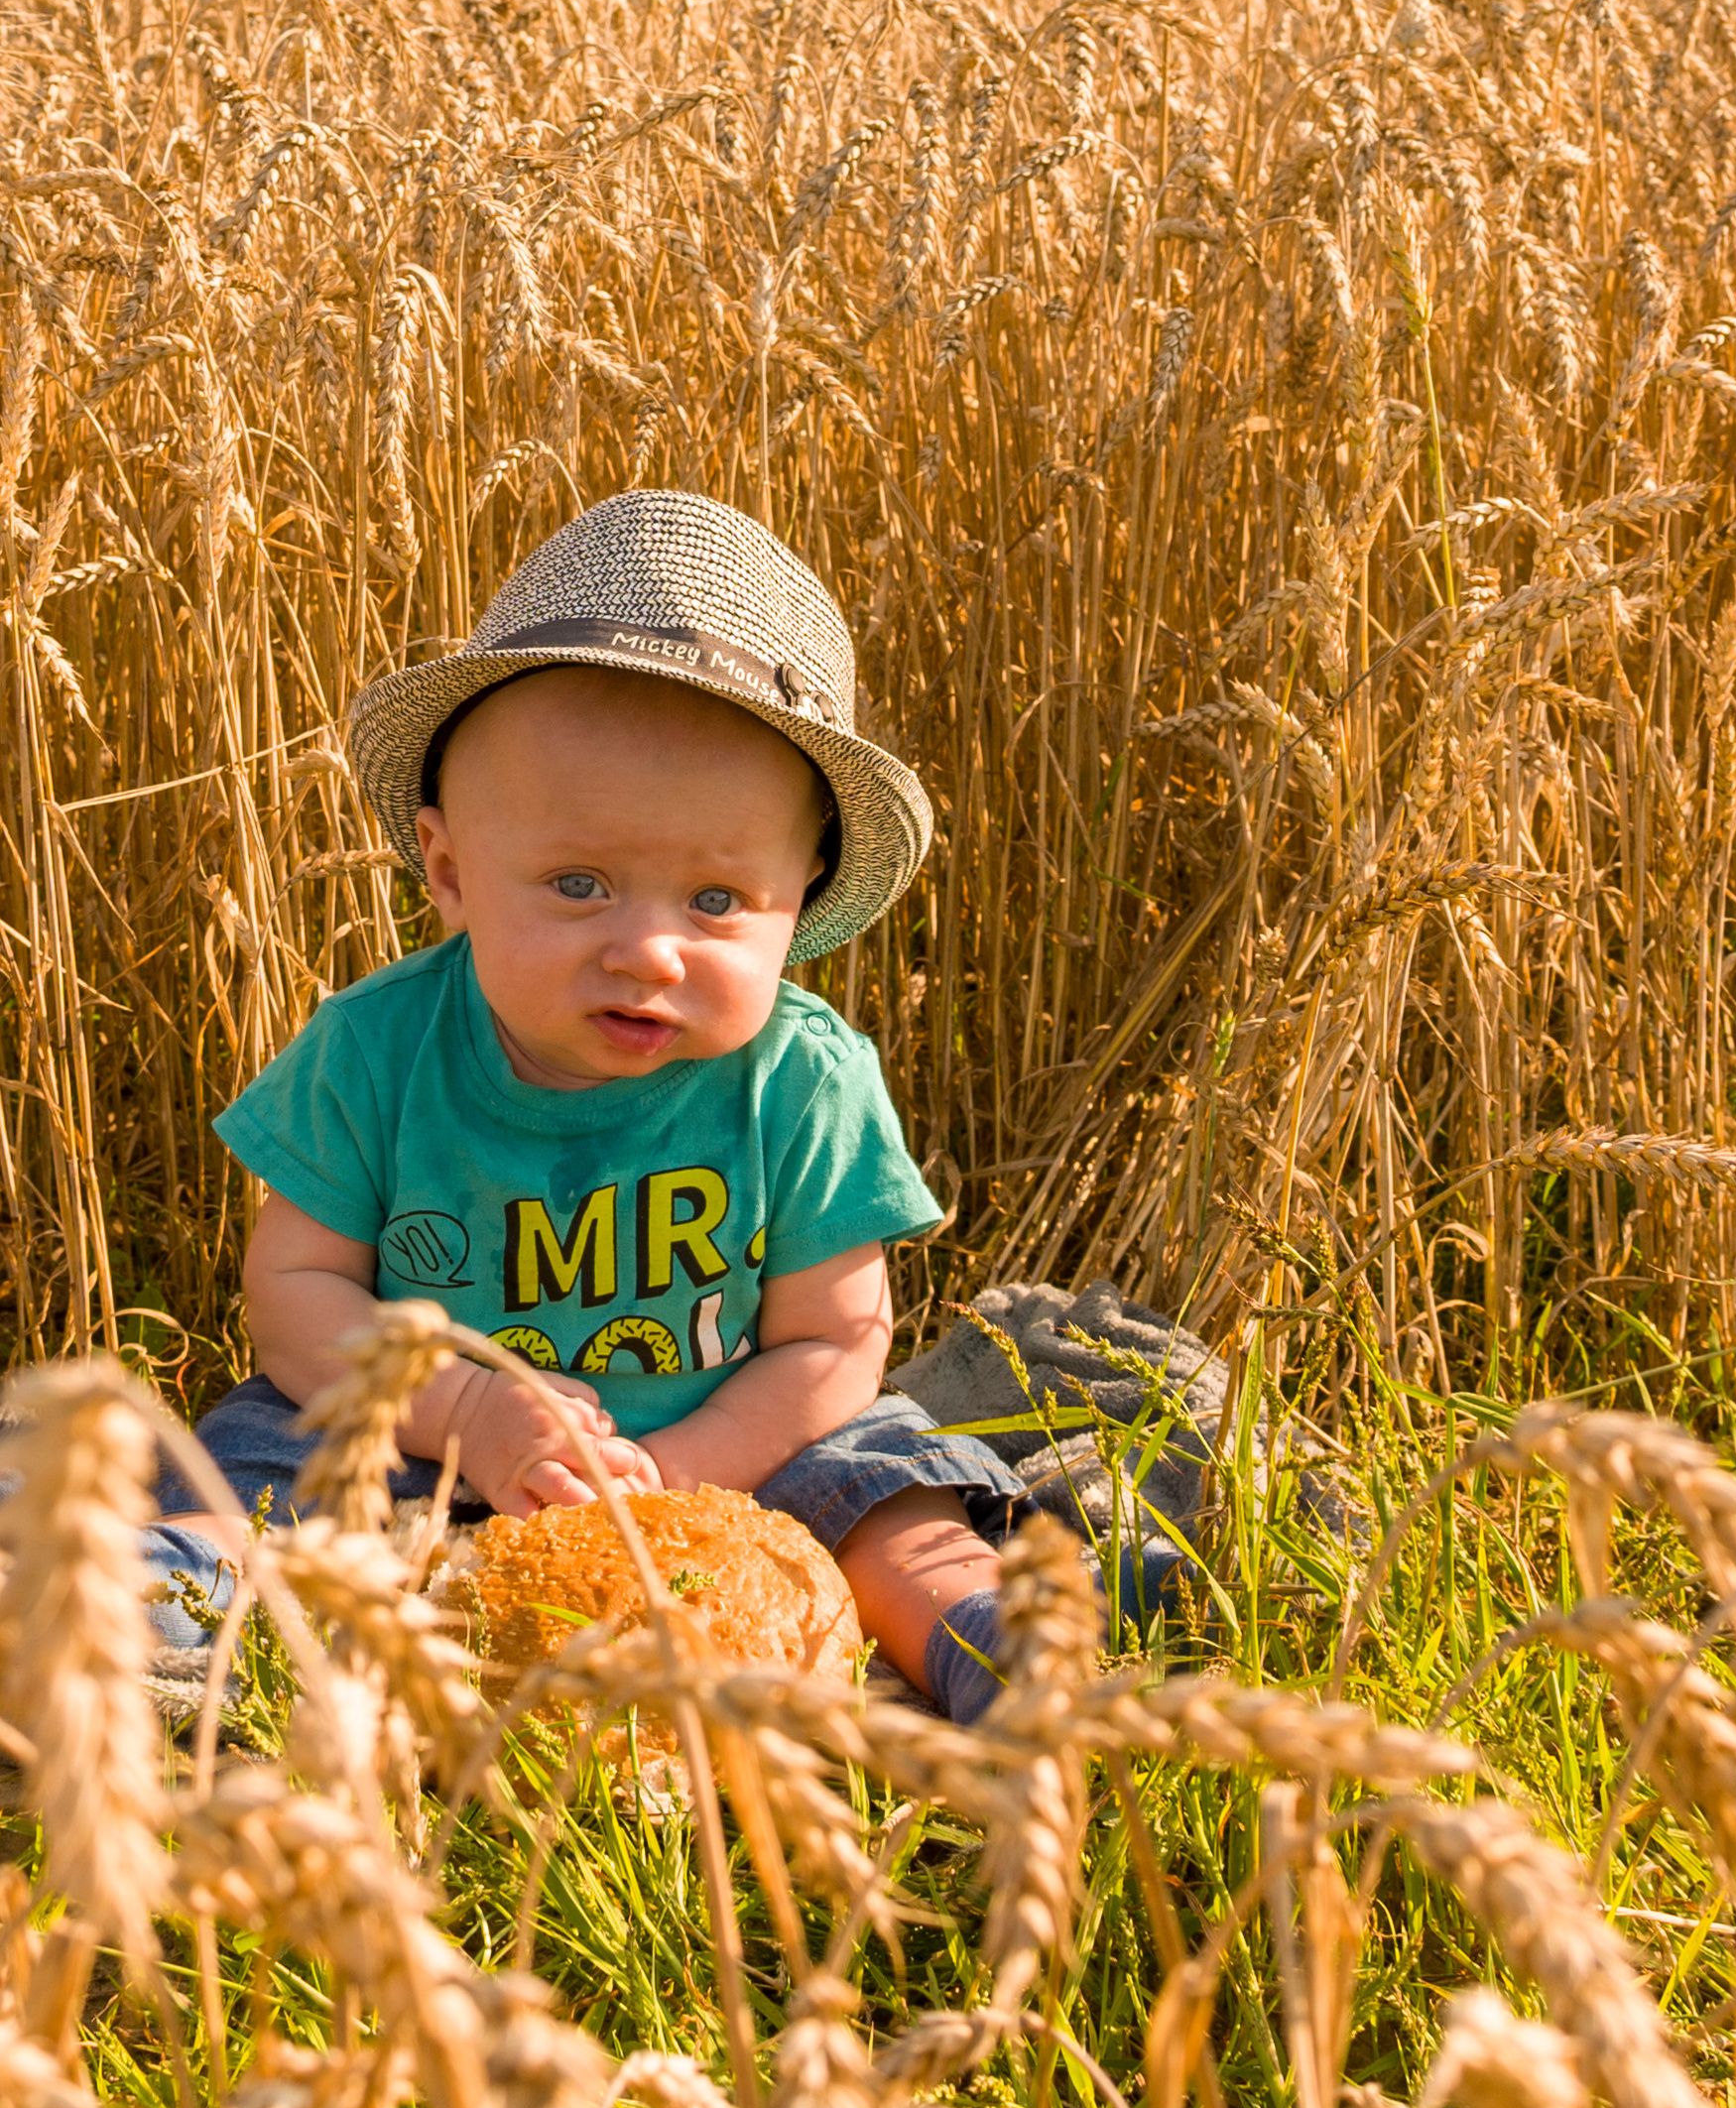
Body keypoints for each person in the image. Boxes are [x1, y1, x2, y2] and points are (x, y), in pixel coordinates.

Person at [153, 488, 1131, 1724]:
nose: (650, 951)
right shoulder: (376, 1050)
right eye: (579, 884)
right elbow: (295, 1299)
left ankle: (1008, 1665)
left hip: (741, 1446)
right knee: (265, 1494)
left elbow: (831, 1344)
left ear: (800, 894)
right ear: (449, 872)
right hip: (417, 1440)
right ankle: (151, 1602)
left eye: (717, 901)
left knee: (895, 1497)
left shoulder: (802, 1076)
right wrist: (467, 1413)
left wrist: (669, 1477)